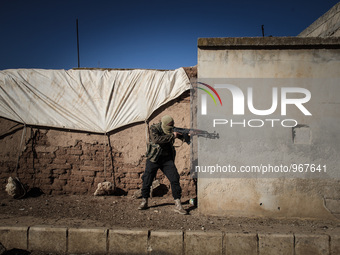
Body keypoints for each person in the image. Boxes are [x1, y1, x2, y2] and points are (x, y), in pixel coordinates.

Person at [138, 115, 187, 215]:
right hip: (154, 158)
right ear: (163, 124)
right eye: (169, 127)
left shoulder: (172, 129)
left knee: (174, 178)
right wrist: (173, 136)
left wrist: (187, 134)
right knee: (147, 179)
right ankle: (144, 201)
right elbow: (156, 140)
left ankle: (178, 203)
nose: (170, 129)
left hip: (166, 159)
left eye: (171, 127)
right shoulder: (154, 128)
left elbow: (179, 135)